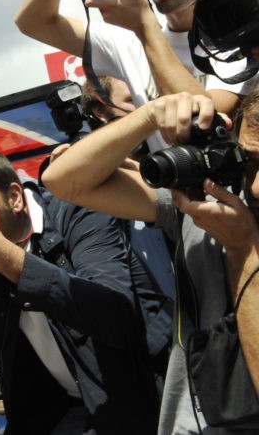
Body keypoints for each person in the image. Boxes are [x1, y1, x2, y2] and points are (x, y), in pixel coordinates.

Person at [42, 91, 259, 431]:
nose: (256, 186)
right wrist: (150, 115)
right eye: (250, 161)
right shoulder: (223, 201)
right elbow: (64, 180)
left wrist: (242, 246)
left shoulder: (232, 223)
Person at [0, 149, 165, 433]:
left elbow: (116, 319)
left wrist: (4, 258)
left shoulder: (76, 211)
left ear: (15, 197)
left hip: (136, 401)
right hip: (55, 411)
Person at [15, 0, 250, 153]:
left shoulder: (247, 36)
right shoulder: (128, 40)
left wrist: (144, 26)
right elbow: (33, 22)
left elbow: (203, 121)